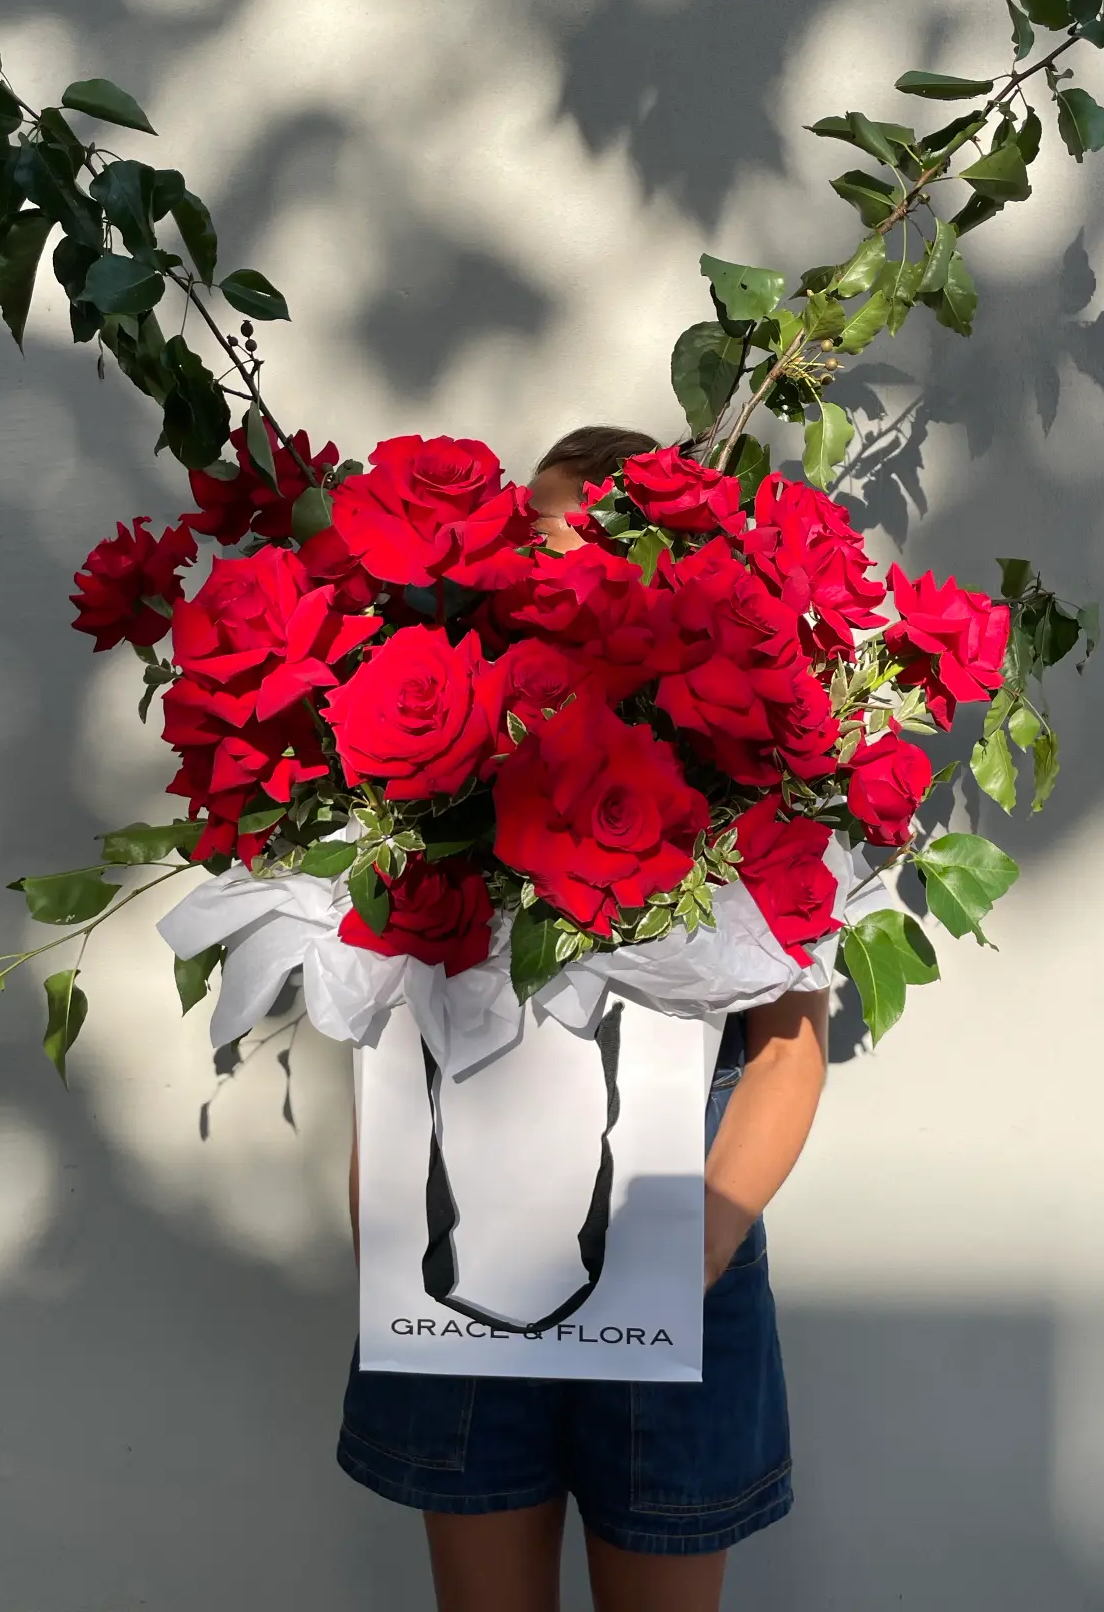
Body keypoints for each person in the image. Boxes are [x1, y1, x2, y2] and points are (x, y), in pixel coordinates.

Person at [338, 426, 831, 1612]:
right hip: (464, 1259)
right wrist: (381, 1206)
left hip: (679, 1266)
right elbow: (392, 1012)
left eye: (600, 552)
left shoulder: (744, 779)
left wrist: (696, 1245)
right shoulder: (438, 779)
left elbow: (788, 1043)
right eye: (541, 550)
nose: (564, 582)